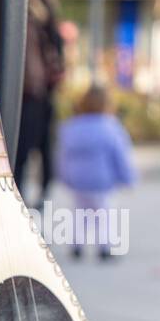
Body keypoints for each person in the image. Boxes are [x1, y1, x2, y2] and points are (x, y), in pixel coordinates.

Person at [56, 85, 137, 260]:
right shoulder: (111, 127)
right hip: (101, 181)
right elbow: (120, 155)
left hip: (78, 181)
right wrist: (128, 178)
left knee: (80, 214)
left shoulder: (71, 127)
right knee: (104, 215)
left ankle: (76, 245)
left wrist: (64, 176)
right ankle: (105, 247)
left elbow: (63, 156)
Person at [14, 0, 67, 209]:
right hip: (25, 88)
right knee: (23, 147)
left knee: (47, 148)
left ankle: (42, 200)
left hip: (46, 87)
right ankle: (19, 199)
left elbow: (54, 43)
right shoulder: (14, 0)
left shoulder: (46, 1)